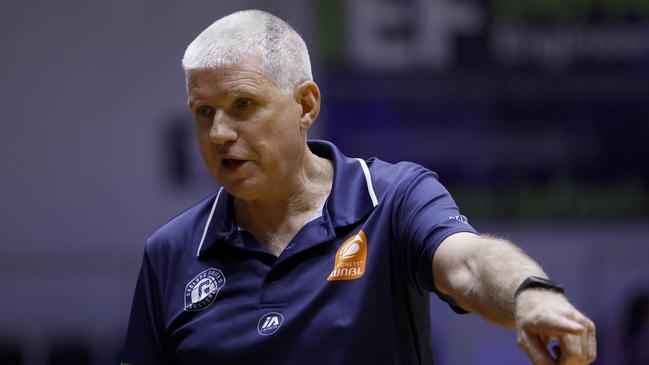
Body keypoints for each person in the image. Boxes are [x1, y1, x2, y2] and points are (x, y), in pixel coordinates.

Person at [121, 9, 596, 365]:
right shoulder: (170, 253)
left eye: (243, 105)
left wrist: (531, 294)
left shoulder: (393, 199)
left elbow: (469, 264)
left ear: (306, 105)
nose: (220, 133)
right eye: (204, 113)